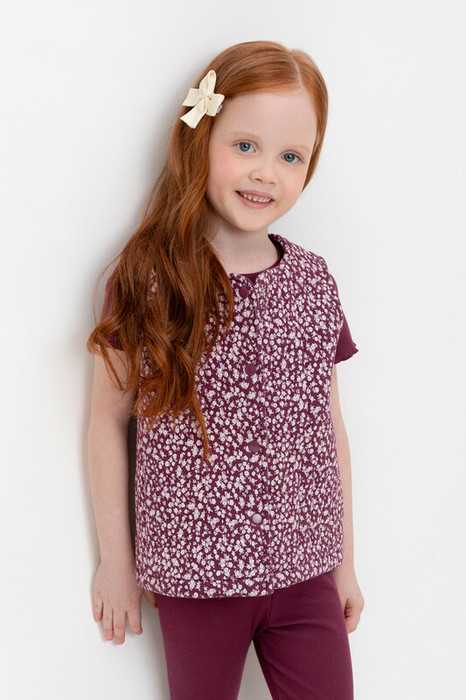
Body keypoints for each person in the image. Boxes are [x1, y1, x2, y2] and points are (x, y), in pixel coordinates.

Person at [87, 40, 364, 700]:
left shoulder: (313, 281)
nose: (266, 173)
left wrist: (345, 563)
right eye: (245, 146)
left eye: (291, 157)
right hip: (195, 576)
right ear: (201, 139)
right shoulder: (150, 279)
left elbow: (327, 428)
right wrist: (116, 564)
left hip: (305, 569)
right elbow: (107, 422)